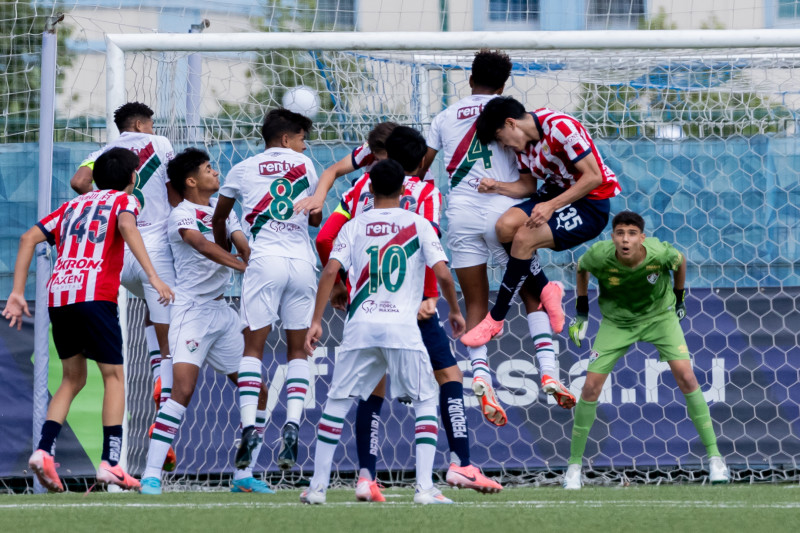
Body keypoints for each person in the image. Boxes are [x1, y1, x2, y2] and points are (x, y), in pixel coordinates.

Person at [315, 126, 502, 501]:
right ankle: (458, 466)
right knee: (446, 378)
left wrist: (341, 289)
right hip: (412, 306)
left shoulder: (356, 193)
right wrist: (433, 297)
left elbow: (324, 239)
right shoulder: (426, 194)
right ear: (420, 162)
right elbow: (431, 244)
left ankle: (365, 476)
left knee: (369, 388)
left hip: (364, 308)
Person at [3, 148, 174, 492]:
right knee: (114, 377)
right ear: (132, 179)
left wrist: (17, 291)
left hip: (60, 296)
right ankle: (111, 463)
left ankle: (43, 450)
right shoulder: (125, 202)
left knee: (72, 378)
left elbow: (27, 238)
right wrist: (154, 277)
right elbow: (126, 224)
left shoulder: (70, 207)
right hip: (95, 294)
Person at [301, 159, 466, 505]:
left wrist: (316, 321)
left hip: (360, 327)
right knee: (424, 402)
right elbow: (445, 274)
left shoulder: (354, 226)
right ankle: (424, 489)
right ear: (405, 190)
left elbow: (331, 270)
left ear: (370, 188)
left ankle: (317, 489)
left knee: (335, 405)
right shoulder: (418, 224)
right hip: (402, 329)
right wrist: (452, 308)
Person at [460, 96, 621, 408]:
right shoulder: (524, 146)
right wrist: (496, 187)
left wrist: (550, 206)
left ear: (510, 124)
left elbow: (594, 177)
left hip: (590, 204)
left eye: (499, 138)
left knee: (522, 240)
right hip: (556, 196)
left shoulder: (560, 127)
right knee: (503, 227)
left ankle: (495, 318)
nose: (503, 145)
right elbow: (527, 187)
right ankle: (547, 288)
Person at [562, 211, 729, 489]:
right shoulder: (599, 255)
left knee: (687, 377)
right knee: (590, 387)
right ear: (612, 237)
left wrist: (679, 298)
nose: (625, 239)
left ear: (642, 237)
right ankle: (574, 467)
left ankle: (715, 458)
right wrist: (581, 311)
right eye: (619, 233)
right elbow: (581, 268)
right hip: (617, 322)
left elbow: (681, 261)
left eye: (631, 233)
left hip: (659, 318)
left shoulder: (659, 253)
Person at [139, 148, 271, 495]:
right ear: (191, 181)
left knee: (257, 390)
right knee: (182, 390)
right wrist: (241, 266)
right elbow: (200, 245)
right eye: (209, 169)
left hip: (222, 313)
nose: (217, 172)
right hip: (190, 312)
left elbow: (243, 245)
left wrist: (257, 265)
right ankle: (151, 474)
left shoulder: (223, 212)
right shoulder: (181, 215)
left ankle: (244, 475)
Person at [212, 108, 321, 472]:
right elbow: (316, 217)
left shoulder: (242, 168)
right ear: (287, 139)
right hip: (302, 263)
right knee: (298, 351)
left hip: (265, 260)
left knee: (253, 348)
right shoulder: (306, 167)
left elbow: (220, 214)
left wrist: (223, 247)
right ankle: (291, 425)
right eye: (303, 139)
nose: (305, 146)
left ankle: (250, 429)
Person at [420, 49, 525, 423]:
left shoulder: (444, 116)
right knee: (531, 290)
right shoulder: (512, 111)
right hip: (504, 212)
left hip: (461, 214)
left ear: (469, 79)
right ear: (503, 84)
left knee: (475, 301)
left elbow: (423, 167)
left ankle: (480, 375)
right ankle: (546, 369)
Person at [71, 102, 179, 425]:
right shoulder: (160, 144)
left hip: (121, 257)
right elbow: (174, 189)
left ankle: (158, 374)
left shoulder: (105, 152)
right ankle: (166, 399)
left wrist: (102, 203)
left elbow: (79, 183)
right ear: (139, 124)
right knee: (170, 333)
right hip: (154, 251)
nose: (153, 130)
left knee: (148, 303)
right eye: (151, 124)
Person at [294, 121, 398, 217]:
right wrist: (318, 198)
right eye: (378, 159)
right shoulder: (369, 150)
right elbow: (332, 171)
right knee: (326, 236)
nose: (385, 166)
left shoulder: (411, 156)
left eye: (389, 160)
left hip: (398, 206)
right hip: (371, 208)